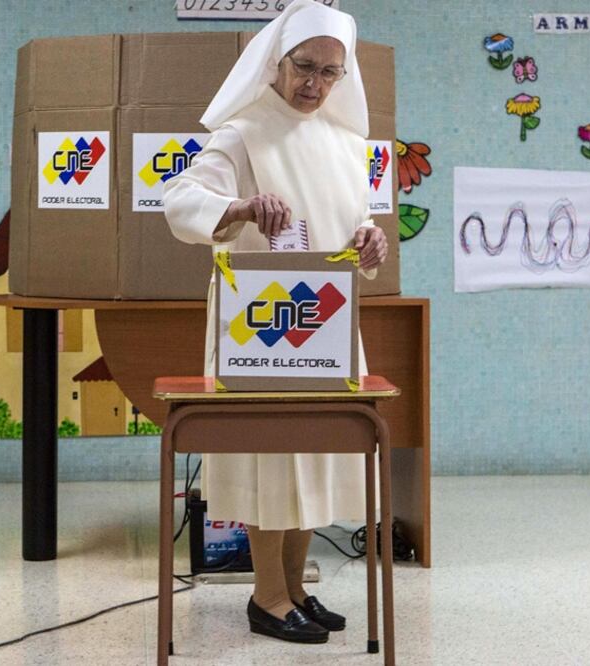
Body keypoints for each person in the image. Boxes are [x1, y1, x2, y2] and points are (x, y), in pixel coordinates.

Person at [163, 0, 388, 646]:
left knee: (313, 453)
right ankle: (265, 596)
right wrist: (236, 207)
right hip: (258, 323)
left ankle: (294, 588)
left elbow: (354, 227)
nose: (314, 83)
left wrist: (369, 243)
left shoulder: (347, 143)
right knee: (270, 456)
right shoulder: (242, 131)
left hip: (324, 320)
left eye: (328, 73)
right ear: (277, 61)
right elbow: (180, 201)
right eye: (303, 67)